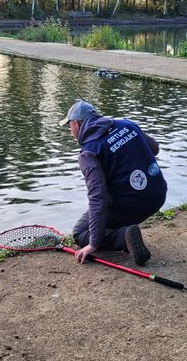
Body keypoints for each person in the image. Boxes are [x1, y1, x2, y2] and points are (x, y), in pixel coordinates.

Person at [61, 100, 167, 266]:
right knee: (104, 213)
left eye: (69, 126)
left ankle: (123, 238)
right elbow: (154, 149)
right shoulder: (127, 124)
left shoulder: (89, 153)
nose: (70, 132)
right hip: (157, 196)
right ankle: (126, 232)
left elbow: (98, 197)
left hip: (133, 206)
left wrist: (93, 243)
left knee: (81, 231)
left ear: (77, 124)